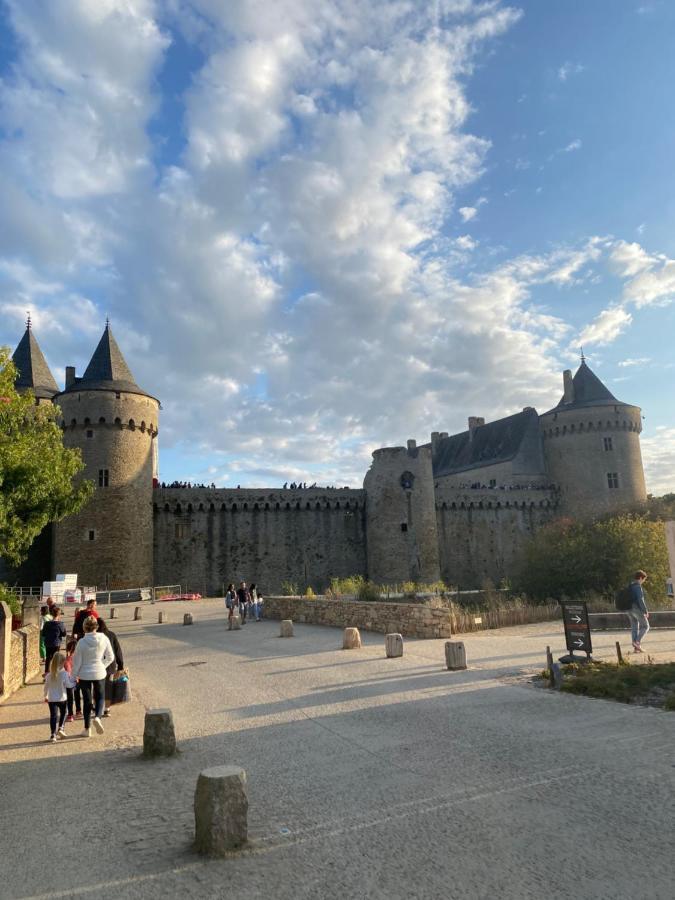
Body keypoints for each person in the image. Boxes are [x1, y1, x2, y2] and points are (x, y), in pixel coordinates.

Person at [71, 616, 114, 738]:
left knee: (87, 701)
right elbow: (110, 657)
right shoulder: (104, 638)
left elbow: (77, 663)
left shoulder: (81, 642)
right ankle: (98, 717)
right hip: (99, 672)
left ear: (84, 628)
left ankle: (87, 728)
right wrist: (102, 665)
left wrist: (73, 677)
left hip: (84, 674)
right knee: (100, 697)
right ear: (97, 626)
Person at [97, 618, 125, 716]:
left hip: (98, 664)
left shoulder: (95, 636)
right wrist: (120, 665)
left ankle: (98, 707)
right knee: (108, 686)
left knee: (98, 686)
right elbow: (118, 651)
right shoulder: (111, 634)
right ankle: (107, 709)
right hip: (110, 665)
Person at [44, 651, 69, 742]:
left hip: (51, 699)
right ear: (62, 663)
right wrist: (74, 682)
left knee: (53, 716)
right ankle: (61, 728)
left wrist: (45, 696)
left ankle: (52, 734)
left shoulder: (49, 675)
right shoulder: (64, 674)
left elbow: (46, 687)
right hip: (62, 698)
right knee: (64, 713)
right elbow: (68, 684)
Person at [628, 570, 650, 652]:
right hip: (635, 609)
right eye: (644, 579)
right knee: (646, 626)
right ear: (640, 578)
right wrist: (645, 611)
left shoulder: (630, 586)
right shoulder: (637, 587)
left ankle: (636, 648)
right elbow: (640, 600)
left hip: (628, 609)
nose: (643, 581)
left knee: (634, 627)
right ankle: (637, 642)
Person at [42, 605, 67, 675]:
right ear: (59, 615)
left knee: (48, 658)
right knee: (55, 659)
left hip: (48, 642)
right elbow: (64, 634)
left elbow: (43, 634)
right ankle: (55, 672)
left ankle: (47, 672)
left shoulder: (47, 624)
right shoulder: (60, 624)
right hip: (56, 643)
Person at [63, 639, 81, 722]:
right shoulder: (79, 658)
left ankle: (70, 714)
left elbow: (67, 670)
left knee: (70, 698)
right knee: (77, 695)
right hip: (78, 679)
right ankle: (78, 711)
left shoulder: (67, 660)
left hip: (69, 680)